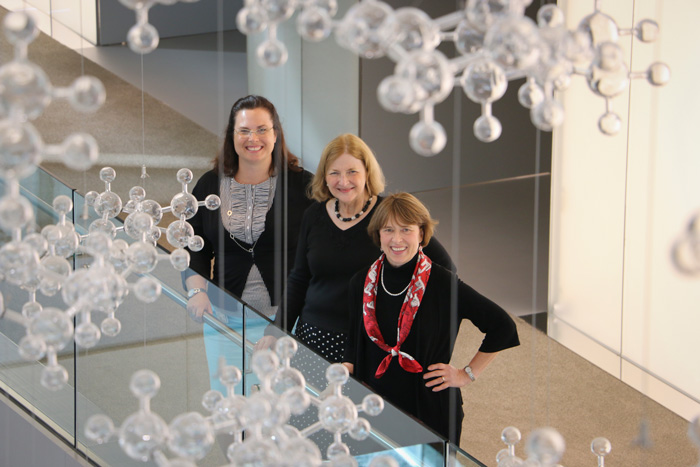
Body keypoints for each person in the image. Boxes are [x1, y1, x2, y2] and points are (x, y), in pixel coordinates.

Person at [343, 192, 519, 444]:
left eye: (406, 230)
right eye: (388, 230)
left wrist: (467, 374)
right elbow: (354, 340)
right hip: (373, 406)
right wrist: (346, 368)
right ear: (378, 235)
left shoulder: (442, 283)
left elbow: (503, 327)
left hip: (428, 407)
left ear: (422, 234)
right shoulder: (360, 281)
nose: (397, 239)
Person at [272, 134, 454, 369]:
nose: (343, 181)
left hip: (368, 341)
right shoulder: (314, 215)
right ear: (324, 177)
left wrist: (414, 322)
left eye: (352, 172)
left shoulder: (389, 215)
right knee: (310, 405)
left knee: (362, 406)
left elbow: (444, 268)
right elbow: (299, 278)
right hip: (313, 335)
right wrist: (277, 329)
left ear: (367, 172)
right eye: (334, 172)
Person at [184, 95, 313, 393]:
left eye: (262, 129)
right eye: (244, 130)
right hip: (224, 320)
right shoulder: (208, 185)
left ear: (276, 133)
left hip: (285, 324)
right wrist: (196, 291)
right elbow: (194, 246)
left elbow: (318, 253)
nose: (252, 138)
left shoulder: (304, 187)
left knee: (283, 409)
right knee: (228, 407)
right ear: (232, 136)